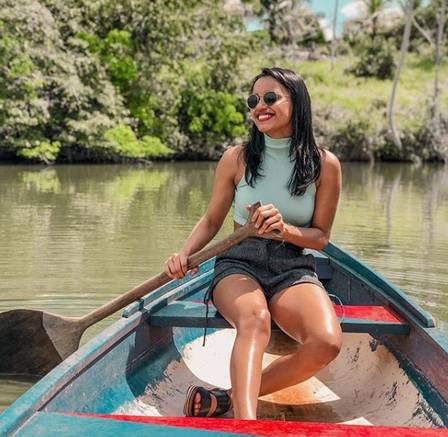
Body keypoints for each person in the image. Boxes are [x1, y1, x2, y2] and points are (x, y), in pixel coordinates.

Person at [164, 67, 342, 420]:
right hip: (238, 262)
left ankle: (228, 398)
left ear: (297, 102)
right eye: (253, 100)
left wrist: (285, 230)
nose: (260, 105)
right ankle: (247, 425)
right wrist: (184, 254)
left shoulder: (325, 165)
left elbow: (320, 237)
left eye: (270, 98)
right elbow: (213, 220)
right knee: (255, 319)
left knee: (327, 342)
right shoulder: (236, 158)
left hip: (292, 265)